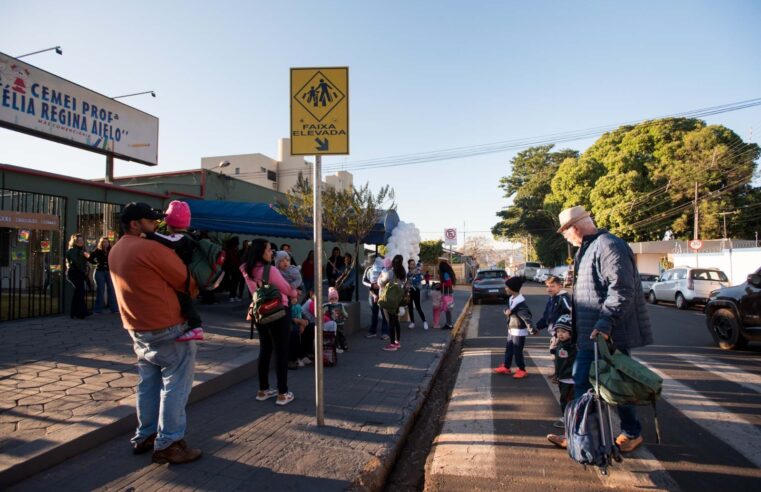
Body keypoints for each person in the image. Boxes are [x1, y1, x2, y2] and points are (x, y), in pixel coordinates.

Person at [546, 206, 653, 453]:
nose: (565, 237)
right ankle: (603, 434)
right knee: (609, 384)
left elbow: (622, 289)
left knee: (590, 383)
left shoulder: (608, 246)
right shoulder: (589, 248)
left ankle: (586, 438)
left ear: (575, 227)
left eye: (564, 232)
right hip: (589, 333)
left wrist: (605, 323)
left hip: (606, 334)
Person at [109, 202, 202, 465]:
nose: (155, 224)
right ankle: (169, 442)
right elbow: (186, 280)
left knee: (148, 383)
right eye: (149, 220)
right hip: (167, 325)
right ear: (135, 224)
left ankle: (146, 434)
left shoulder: (116, 250)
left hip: (136, 327)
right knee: (175, 384)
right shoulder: (149, 247)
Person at [241, 238, 298, 406]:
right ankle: (282, 392)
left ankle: (263, 390)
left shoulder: (245, 269)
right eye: (268, 250)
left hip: (259, 312)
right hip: (278, 311)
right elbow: (286, 289)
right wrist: (294, 293)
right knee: (281, 351)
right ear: (260, 252)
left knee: (265, 349)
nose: (271, 253)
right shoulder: (270, 270)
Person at [143, 201, 204, 342]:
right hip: (187, 274)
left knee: (184, 299)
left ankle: (196, 326)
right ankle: (193, 324)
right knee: (184, 300)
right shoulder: (189, 236)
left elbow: (169, 241)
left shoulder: (182, 237)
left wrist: (149, 234)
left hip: (185, 275)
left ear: (170, 222)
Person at [493, 276, 534, 379]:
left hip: (519, 331)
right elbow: (508, 308)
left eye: (506, 287)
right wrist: (506, 311)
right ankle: (506, 367)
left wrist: (532, 329)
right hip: (512, 329)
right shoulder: (512, 298)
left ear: (512, 288)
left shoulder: (521, 303)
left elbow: (526, 317)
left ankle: (522, 369)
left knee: (517, 352)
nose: (505, 289)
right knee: (509, 349)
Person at [536, 275, 572, 381]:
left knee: (559, 353)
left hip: (561, 333)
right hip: (554, 332)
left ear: (559, 286)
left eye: (552, 286)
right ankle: (558, 373)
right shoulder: (552, 299)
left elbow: (570, 311)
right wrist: (538, 326)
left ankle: (560, 375)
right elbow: (547, 316)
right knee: (555, 352)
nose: (549, 289)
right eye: (547, 286)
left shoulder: (563, 298)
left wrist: (564, 329)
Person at [550, 314, 576, 428]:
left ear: (571, 333)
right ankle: (567, 416)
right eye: (559, 331)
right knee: (564, 398)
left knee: (568, 399)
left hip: (570, 378)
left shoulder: (572, 345)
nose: (560, 334)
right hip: (563, 377)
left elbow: (564, 356)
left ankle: (568, 418)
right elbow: (558, 357)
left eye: (564, 331)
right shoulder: (561, 343)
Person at [379, 255, 406, 351]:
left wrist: (380, 278)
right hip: (398, 299)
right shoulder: (403, 272)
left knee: (391, 321)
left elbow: (382, 283)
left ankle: (392, 344)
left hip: (390, 299)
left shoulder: (391, 272)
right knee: (396, 320)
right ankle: (397, 342)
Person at [88, 236, 119, 314]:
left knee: (111, 290)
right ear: (101, 243)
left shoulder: (111, 250)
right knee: (100, 290)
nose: (105, 243)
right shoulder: (97, 251)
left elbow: (116, 259)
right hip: (100, 272)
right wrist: (96, 263)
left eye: (107, 242)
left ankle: (114, 309)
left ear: (109, 243)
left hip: (109, 272)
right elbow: (90, 258)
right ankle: (98, 310)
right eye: (104, 242)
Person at [363, 254, 390, 340]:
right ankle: (372, 331)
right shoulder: (368, 269)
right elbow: (364, 280)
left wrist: (381, 285)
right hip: (372, 293)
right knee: (374, 313)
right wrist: (371, 285)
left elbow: (389, 281)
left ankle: (385, 332)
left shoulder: (385, 269)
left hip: (383, 293)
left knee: (384, 313)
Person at [65, 233, 90, 319]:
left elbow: (88, 260)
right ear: (75, 242)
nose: (81, 242)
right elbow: (76, 262)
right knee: (79, 290)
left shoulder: (83, 250)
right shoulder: (72, 250)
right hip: (73, 272)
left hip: (80, 273)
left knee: (79, 292)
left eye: (82, 240)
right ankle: (79, 312)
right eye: (78, 240)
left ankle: (76, 312)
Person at [324, 287, 349, 352]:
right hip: (333, 323)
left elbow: (344, 312)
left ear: (337, 298)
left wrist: (346, 315)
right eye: (332, 299)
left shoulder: (340, 305)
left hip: (340, 323)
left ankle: (344, 345)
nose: (334, 300)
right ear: (329, 299)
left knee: (341, 334)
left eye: (335, 298)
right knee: (335, 335)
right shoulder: (328, 306)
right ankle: (337, 345)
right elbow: (323, 311)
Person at [406, 259, 428, 330]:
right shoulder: (407, 272)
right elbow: (406, 281)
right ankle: (412, 322)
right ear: (409, 265)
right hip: (409, 291)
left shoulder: (418, 271)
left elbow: (419, 279)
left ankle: (424, 321)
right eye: (411, 264)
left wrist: (412, 280)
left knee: (418, 306)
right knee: (410, 307)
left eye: (414, 263)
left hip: (416, 290)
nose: (413, 265)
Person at [438, 260, 457, 329]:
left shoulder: (445, 274)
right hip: (448, 292)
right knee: (447, 309)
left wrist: (442, 284)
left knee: (448, 309)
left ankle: (449, 324)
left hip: (447, 293)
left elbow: (449, 283)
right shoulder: (447, 273)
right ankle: (448, 323)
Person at [224, 236, 243, 302]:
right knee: (234, 283)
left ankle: (233, 295)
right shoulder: (231, 251)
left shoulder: (232, 250)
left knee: (235, 282)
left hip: (234, 268)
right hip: (233, 268)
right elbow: (234, 260)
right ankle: (232, 295)